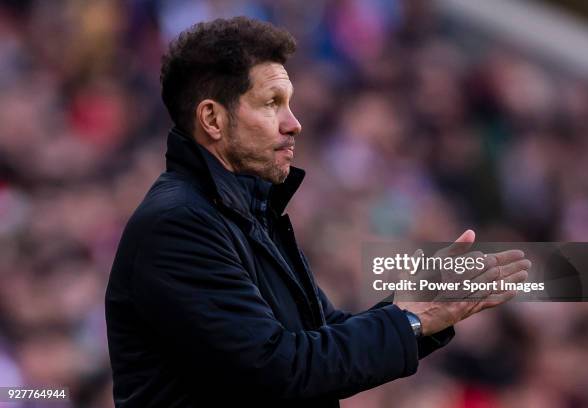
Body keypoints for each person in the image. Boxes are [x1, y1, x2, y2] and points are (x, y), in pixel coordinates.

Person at [104, 16, 529, 407]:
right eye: (272, 103)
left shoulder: (246, 213)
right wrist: (409, 321)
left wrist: (415, 310)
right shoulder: (180, 224)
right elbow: (278, 368)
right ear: (213, 119)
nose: (294, 123)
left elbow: (320, 339)